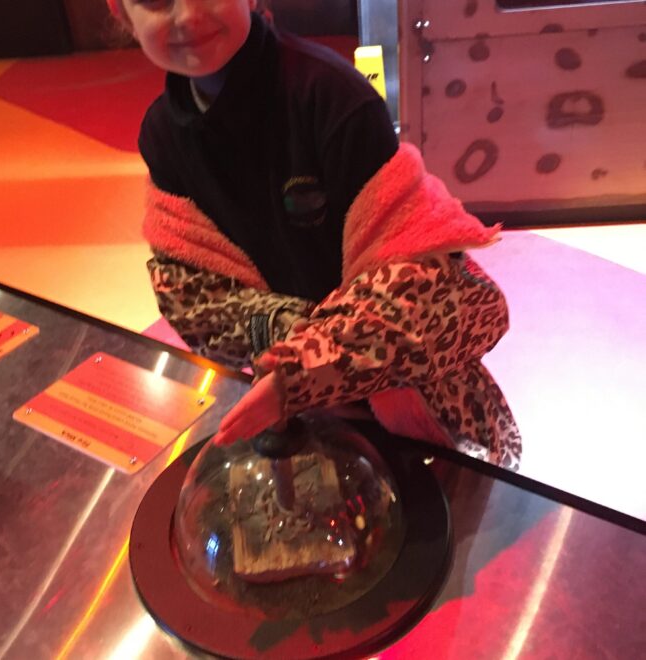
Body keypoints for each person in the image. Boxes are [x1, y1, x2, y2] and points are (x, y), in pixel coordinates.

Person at [106, 0, 522, 469]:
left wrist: (302, 370)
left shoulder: (334, 98)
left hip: (410, 390)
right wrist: (298, 367)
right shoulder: (162, 135)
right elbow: (189, 294)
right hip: (285, 398)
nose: (187, 15)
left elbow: (426, 284)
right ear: (121, 12)